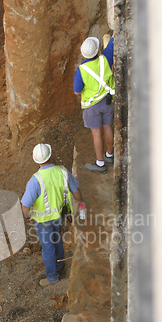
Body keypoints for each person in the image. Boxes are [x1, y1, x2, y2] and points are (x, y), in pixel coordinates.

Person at [21, 144, 86, 287]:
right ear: (50, 155)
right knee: (56, 239)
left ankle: (52, 277)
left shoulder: (35, 180)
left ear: (36, 160)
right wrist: (81, 201)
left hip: (44, 221)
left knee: (48, 248)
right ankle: (60, 265)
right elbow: (75, 190)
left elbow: (25, 205)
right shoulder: (62, 171)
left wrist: (27, 217)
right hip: (59, 216)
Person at [73, 36, 115, 174]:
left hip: (92, 107)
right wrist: (113, 36)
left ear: (83, 54)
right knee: (108, 127)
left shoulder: (81, 70)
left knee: (97, 133)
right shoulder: (105, 59)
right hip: (108, 101)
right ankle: (110, 156)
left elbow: (76, 91)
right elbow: (111, 45)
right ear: (97, 50)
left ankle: (100, 164)